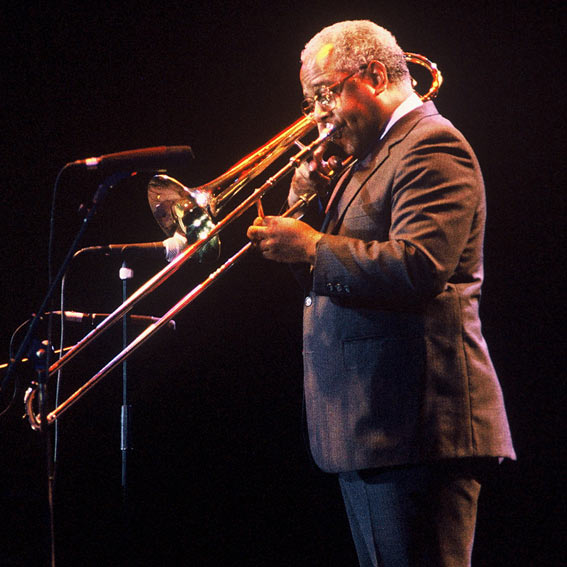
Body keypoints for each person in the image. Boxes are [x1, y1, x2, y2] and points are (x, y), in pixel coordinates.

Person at [247, 20, 515, 567]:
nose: (318, 114)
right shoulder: (366, 159)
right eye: (310, 100)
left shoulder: (432, 145)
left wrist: (313, 245)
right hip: (374, 429)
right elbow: (335, 283)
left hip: (418, 427)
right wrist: (303, 204)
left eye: (324, 94)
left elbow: (420, 267)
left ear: (372, 75)